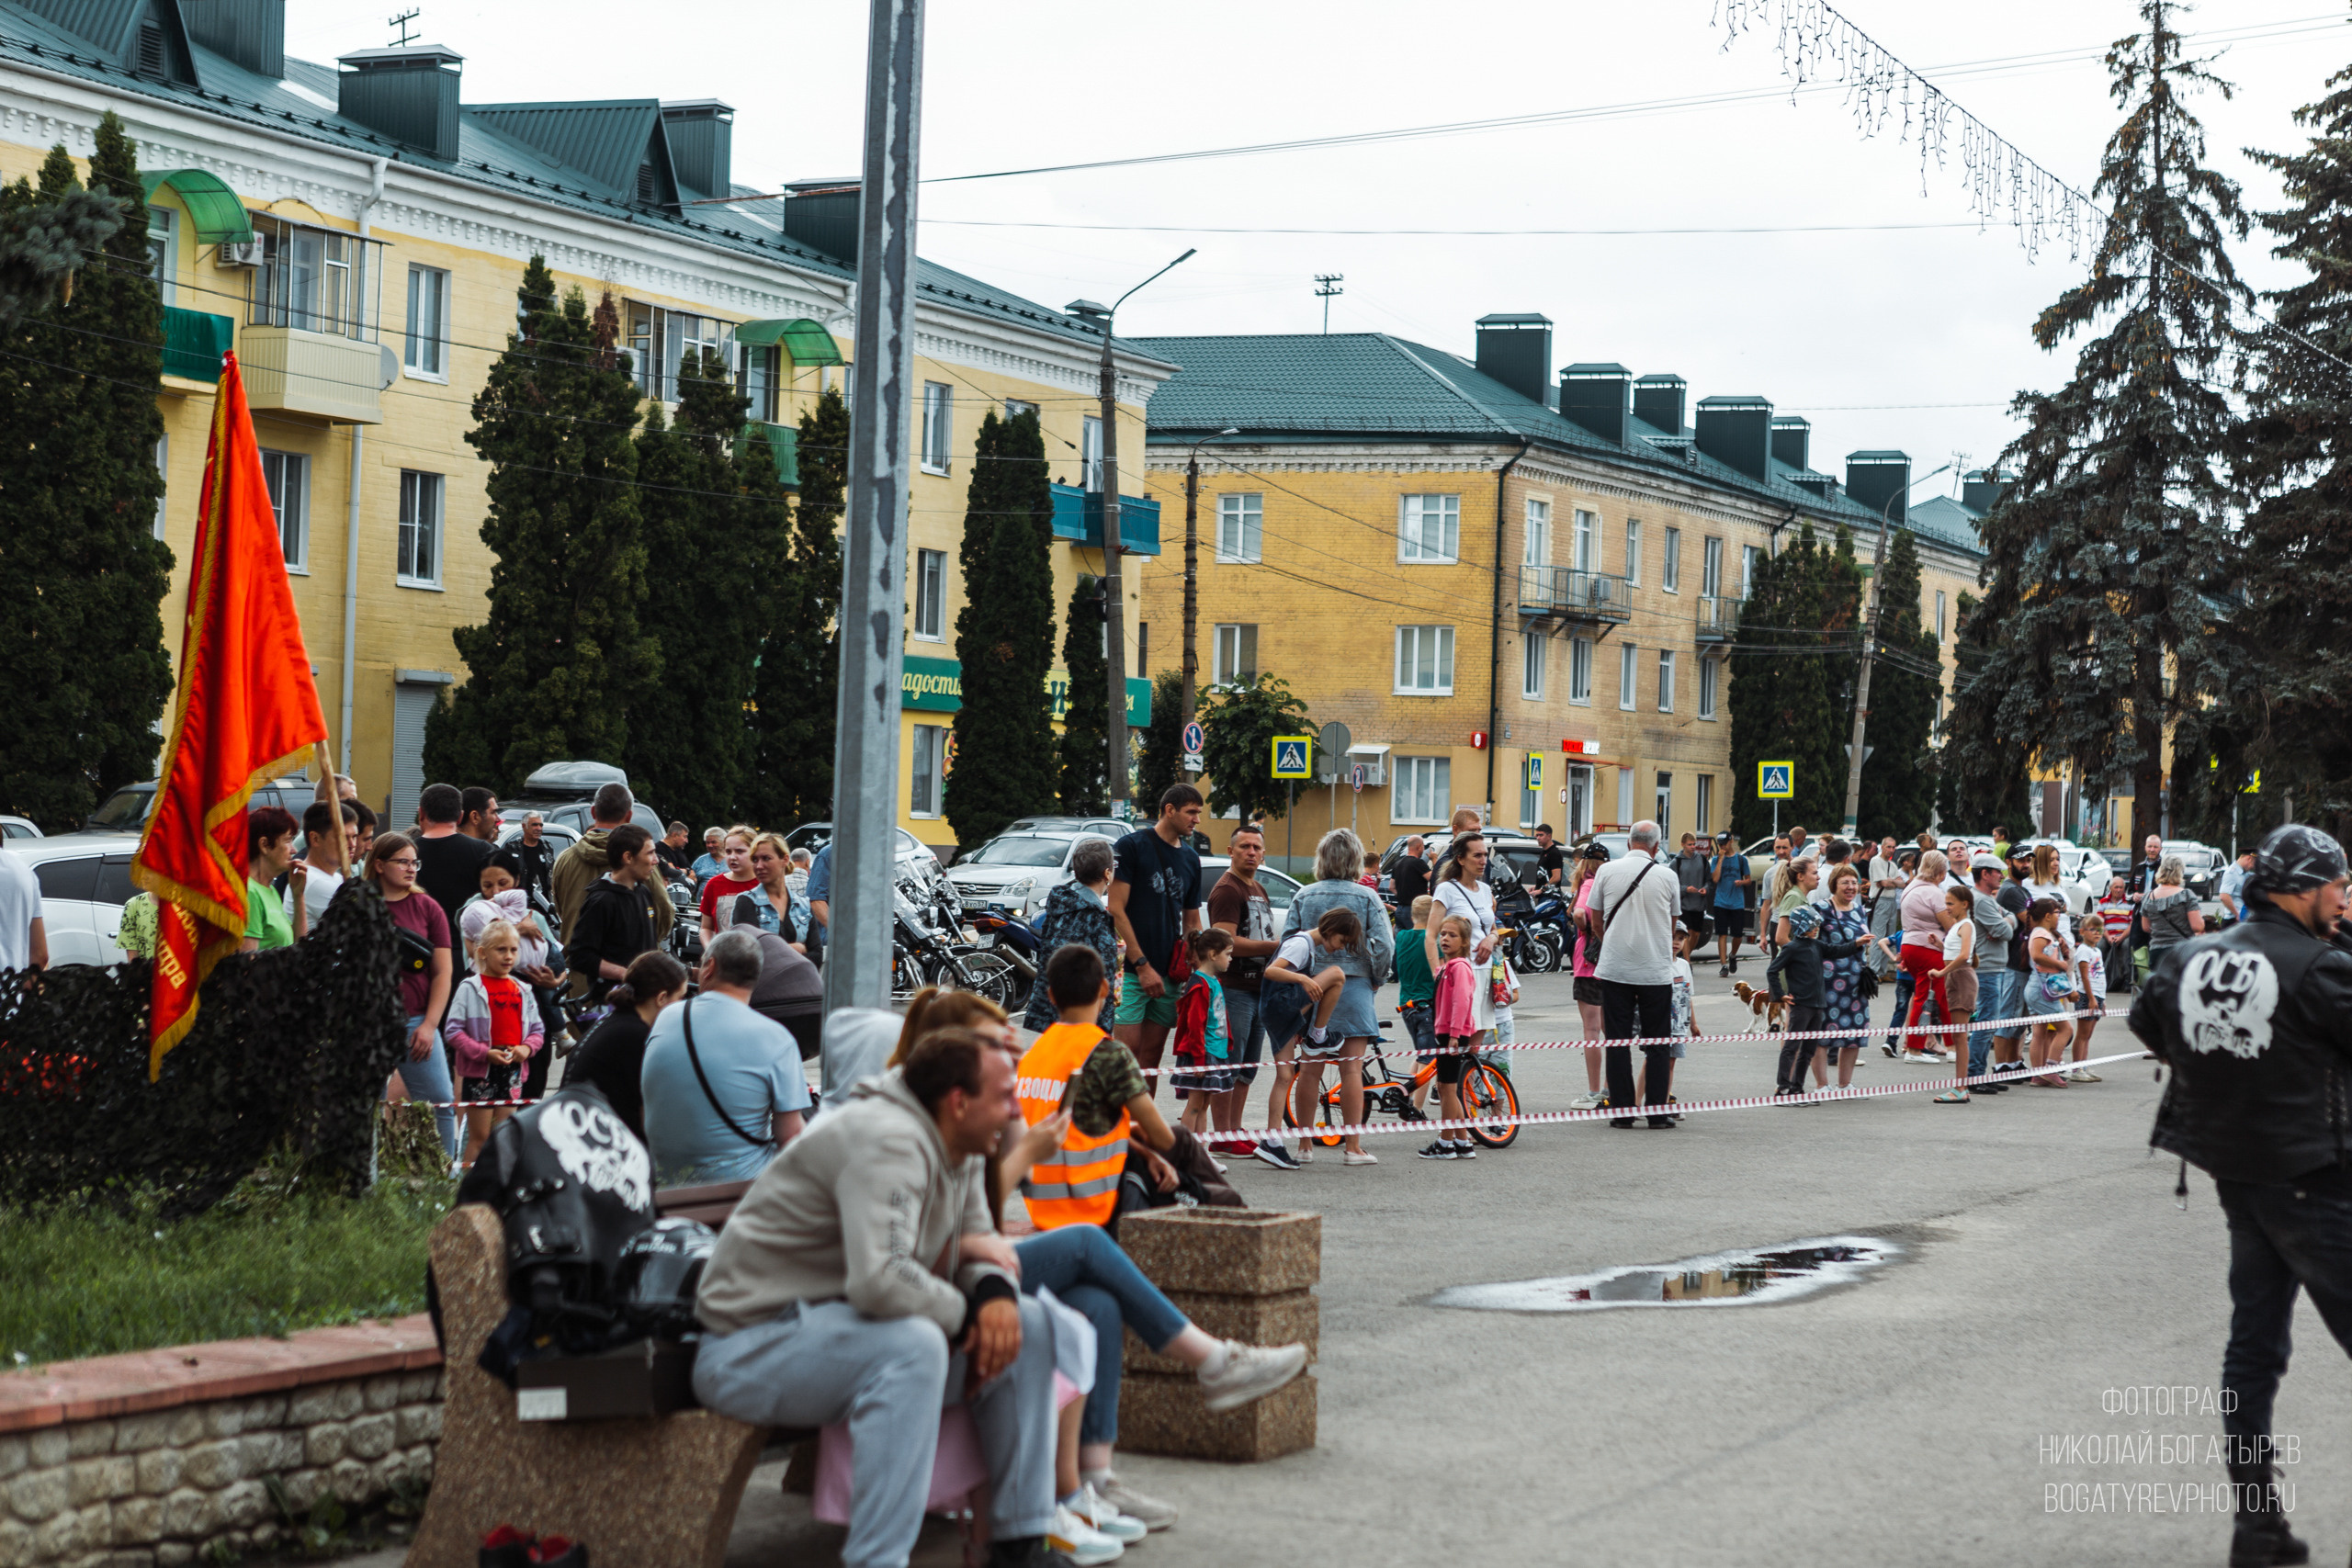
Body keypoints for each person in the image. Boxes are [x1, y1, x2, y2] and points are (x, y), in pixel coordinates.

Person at [693, 1029, 1064, 1568]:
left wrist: (994, 1297)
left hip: (836, 1329)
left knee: (1030, 1322)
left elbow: (985, 1247)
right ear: (959, 1102)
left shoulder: (957, 1139)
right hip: (749, 1343)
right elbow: (882, 1278)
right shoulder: (887, 1138)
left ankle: (1019, 1545)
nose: (1015, 1111)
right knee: (913, 1346)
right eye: (1006, 1096)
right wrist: (971, 1318)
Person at [1006, 944, 1307, 1536]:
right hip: (1093, 1215)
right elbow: (1150, 1123)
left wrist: (1137, 1149)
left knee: (1100, 1308)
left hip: (1046, 1211)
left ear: (1048, 994)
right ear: (1104, 993)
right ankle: (1218, 1355)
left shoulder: (1034, 1054)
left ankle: (1094, 1481)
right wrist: (1160, 1150)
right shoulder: (1105, 1052)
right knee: (1177, 1165)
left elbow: (1072, 1124)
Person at [2130, 825, 2352, 1568]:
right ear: (2298, 888)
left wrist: (2223, 1071)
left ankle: (2256, 1526)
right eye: (2338, 886)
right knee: (2257, 1348)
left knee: (2252, 1349)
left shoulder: (2192, 955)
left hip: (2238, 1172)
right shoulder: (2322, 967)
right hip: (2316, 1178)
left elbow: (2146, 1020)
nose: (2344, 897)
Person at [640, 928, 810, 1186]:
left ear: (709, 967)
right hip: (737, 1192)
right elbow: (791, 1138)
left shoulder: (668, 1017)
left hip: (662, 1184)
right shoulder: (777, 1039)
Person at [1281, 830, 1394, 1167]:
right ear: (1356, 860)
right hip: (1355, 986)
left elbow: (1289, 941)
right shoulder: (1368, 897)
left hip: (1311, 987)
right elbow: (1385, 945)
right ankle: (1353, 1147)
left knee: (1309, 1069)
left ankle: (1304, 1145)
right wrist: (1377, 978)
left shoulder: (1304, 895)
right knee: (1352, 1071)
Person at [366, 832, 457, 1161]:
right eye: (402, 862)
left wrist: (430, 1025)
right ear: (379, 864)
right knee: (366, 1108)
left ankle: (446, 1178)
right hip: (368, 1024)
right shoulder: (359, 906)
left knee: (441, 1101)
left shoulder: (427, 908)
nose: (411, 868)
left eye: (414, 862)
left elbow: (442, 972)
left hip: (416, 1020)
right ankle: (368, 1180)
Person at [1107, 785, 1207, 1077]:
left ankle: (1142, 1125)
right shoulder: (1131, 846)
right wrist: (1142, 966)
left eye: (1198, 813)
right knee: (1126, 1061)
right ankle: (1120, 1124)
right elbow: (1116, 910)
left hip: (1169, 975)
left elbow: (1191, 920)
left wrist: (1200, 960)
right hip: (1131, 972)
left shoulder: (1190, 859)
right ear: (1170, 810)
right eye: (1191, 812)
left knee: (1150, 1063)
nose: (1196, 820)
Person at [1590, 820, 1679, 1129]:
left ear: (1629, 843)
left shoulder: (1606, 871)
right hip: (1655, 971)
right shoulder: (1668, 876)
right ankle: (1656, 1112)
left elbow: (1596, 920)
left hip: (1615, 969)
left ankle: (1622, 1112)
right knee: (1658, 1044)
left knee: (1617, 1042)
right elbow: (1672, 925)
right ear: (1656, 846)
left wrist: (1614, 945)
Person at [1268, 908, 1370, 1166]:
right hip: (1280, 1005)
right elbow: (1271, 971)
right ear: (1331, 930)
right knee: (1336, 974)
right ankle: (1318, 1033)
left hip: (1280, 1012)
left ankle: (1272, 1142)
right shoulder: (1302, 943)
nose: (1340, 948)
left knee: (1285, 1077)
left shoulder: (1308, 947)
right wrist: (1302, 978)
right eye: (1342, 941)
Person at [444, 919, 544, 1166]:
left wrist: (525, 1048)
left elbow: (538, 1030)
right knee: (479, 1137)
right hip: (480, 1072)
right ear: (483, 953)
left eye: (513, 949)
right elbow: (453, 1031)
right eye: (501, 949)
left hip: (512, 1071)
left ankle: (499, 1189)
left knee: (505, 1135)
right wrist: (484, 1053)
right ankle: (468, 1192)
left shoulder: (523, 989)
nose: (509, 956)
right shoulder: (469, 988)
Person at [1204, 826, 1280, 1152]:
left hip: (1258, 988)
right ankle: (1222, 1137)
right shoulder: (1227, 890)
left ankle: (1234, 1132)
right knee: (1228, 1064)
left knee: (1246, 1068)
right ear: (1231, 850)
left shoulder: (1257, 888)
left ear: (1264, 853)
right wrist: (1275, 946)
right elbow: (1226, 941)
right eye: (1245, 846)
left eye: (1257, 847)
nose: (1251, 852)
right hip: (1233, 988)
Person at [567, 950, 688, 1142]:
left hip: (578, 1133)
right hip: (597, 1144)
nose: (681, 1005)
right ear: (661, 998)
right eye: (680, 998)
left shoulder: (616, 1020)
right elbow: (647, 1119)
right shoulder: (635, 1036)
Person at [553, 783, 675, 962]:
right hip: (632, 969)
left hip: (579, 973)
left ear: (593, 812)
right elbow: (663, 912)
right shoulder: (641, 859)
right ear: (629, 816)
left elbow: (562, 910)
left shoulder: (565, 859)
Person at [1770, 886, 1866, 1098]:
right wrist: (1779, 994)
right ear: (1803, 926)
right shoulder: (1792, 948)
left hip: (1818, 1004)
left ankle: (1797, 1086)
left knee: (1809, 1049)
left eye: (1817, 926)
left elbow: (1837, 950)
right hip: (1801, 1004)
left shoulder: (1817, 945)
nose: (1816, 929)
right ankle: (1783, 1085)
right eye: (1813, 926)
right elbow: (1772, 971)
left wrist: (1856, 944)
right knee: (1792, 1046)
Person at [1023, 838, 1119, 1034]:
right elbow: (1103, 973)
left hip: (1051, 1014)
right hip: (1083, 1019)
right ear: (1107, 873)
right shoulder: (1093, 916)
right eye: (1113, 866)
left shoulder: (1063, 904)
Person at [564, 823, 662, 1006]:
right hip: (615, 1005)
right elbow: (580, 956)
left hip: (646, 999)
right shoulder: (601, 901)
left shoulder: (643, 892)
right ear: (628, 857)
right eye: (649, 853)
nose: (656, 860)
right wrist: (624, 974)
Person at [1418, 914, 1484, 1161]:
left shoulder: (1460, 968)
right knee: (1446, 1088)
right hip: (1445, 1031)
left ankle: (1446, 1143)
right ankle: (1462, 1142)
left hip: (1453, 1034)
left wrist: (1455, 1035)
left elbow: (1461, 1001)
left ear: (1465, 942)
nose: (1445, 938)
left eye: (1452, 935)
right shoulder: (1447, 967)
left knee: (1447, 1089)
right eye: (1443, 934)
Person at [1170, 927, 1238, 1138]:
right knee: (1195, 1105)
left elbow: (1220, 1017)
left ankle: (1201, 1153)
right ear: (1212, 954)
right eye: (1227, 954)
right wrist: (1199, 1060)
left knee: (1204, 1104)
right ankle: (1185, 1153)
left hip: (1215, 1051)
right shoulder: (1199, 986)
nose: (1231, 959)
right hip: (1201, 1054)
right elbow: (1194, 1026)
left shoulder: (1214, 981)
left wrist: (1227, 1043)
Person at [1961, 855, 2020, 1093]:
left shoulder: (1987, 900)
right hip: (1987, 969)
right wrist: (2005, 923)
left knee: (1988, 1023)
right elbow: (2005, 931)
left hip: (1993, 968)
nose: (2002, 876)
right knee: (1985, 1024)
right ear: (1984, 874)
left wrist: (2006, 921)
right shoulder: (1982, 901)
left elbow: (2012, 919)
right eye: (1998, 872)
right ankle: (1974, 1075)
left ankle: (1978, 1073)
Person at [1816, 863, 1876, 1089]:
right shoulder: (1821, 909)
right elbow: (1813, 943)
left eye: (1854, 883)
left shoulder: (1859, 909)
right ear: (1834, 885)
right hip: (1828, 981)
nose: (1851, 887)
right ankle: (1822, 1085)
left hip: (1855, 981)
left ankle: (1845, 1084)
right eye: (1845, 883)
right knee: (1822, 1033)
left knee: (1854, 1032)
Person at [1896, 850, 1957, 1063]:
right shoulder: (1934, 893)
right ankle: (1916, 1048)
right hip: (1929, 948)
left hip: (1909, 945)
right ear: (1940, 872)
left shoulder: (1910, 887)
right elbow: (1950, 925)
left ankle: (1944, 1046)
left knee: (1931, 997)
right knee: (1931, 998)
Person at [412, 783, 494, 937]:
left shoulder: (406, 854)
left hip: (420, 947)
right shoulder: (483, 851)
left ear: (421, 814)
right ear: (460, 816)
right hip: (470, 948)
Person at [1569, 841, 1613, 1109]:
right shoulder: (1613, 885)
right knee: (1613, 1030)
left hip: (1589, 964)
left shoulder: (1588, 884)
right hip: (1612, 964)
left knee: (1591, 1030)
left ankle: (1594, 1091)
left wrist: (1581, 923)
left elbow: (1579, 913)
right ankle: (1612, 1087)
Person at [1930, 886, 1980, 1103]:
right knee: (1958, 1035)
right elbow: (1954, 952)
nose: (1946, 908)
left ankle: (1961, 1087)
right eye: (1946, 903)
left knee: (1960, 1037)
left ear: (1964, 904)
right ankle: (1961, 1087)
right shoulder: (1959, 925)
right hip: (1956, 977)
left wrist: (1942, 971)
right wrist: (1940, 945)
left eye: (1950, 903)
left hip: (1960, 978)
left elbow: (1964, 955)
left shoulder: (1966, 925)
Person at [2021, 897, 2078, 1087]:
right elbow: (2037, 956)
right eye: (2057, 913)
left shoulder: (2043, 933)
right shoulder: (2040, 934)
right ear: (2047, 916)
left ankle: (2038, 1074)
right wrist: (2059, 964)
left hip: (2039, 989)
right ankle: (2051, 1068)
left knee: (2040, 1032)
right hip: (2041, 990)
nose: (2059, 917)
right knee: (2066, 1029)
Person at [241, 806, 306, 953]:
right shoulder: (249, 893)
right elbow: (246, 965)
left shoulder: (269, 890)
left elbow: (299, 947)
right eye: (288, 841)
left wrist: (298, 895)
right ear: (264, 845)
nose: (294, 850)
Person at [288, 799, 356, 931]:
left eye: (354, 837)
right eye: (343, 837)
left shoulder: (334, 878)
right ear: (315, 839)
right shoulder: (313, 881)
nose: (352, 845)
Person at [2140, 854, 2206, 983]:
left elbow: (2146, 927)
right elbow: (2197, 926)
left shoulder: (2148, 897)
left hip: (2157, 951)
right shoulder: (2186, 895)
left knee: (2160, 993)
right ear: (2179, 872)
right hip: (2182, 951)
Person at [735, 831, 805, 948]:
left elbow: (816, 955)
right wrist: (798, 948)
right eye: (755, 860)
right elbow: (747, 952)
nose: (759, 866)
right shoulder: (746, 902)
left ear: (785, 860)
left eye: (766, 858)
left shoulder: (802, 904)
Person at [699, 825, 761, 946]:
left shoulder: (764, 884)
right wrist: (710, 950)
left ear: (754, 852)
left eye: (740, 851)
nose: (732, 857)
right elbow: (706, 928)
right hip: (723, 958)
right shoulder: (714, 884)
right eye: (728, 851)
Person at [2066, 911, 2107, 1084]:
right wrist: (2091, 998)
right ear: (2082, 932)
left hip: (2097, 995)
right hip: (2086, 995)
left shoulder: (2096, 950)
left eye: (2100, 930)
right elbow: (2084, 977)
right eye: (2092, 929)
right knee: (2083, 1033)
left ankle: (2084, 1065)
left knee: (2088, 1034)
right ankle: (2077, 1068)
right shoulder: (2083, 951)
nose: (2097, 933)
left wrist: (2101, 999)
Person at [1708, 830, 1753, 977]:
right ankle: (1723, 965)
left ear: (1730, 841)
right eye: (1720, 844)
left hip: (1737, 902)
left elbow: (1749, 879)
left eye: (1724, 843)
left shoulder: (1741, 860)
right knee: (1722, 933)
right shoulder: (1716, 859)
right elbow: (1715, 879)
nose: (1722, 846)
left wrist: (1742, 882)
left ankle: (1733, 955)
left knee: (1738, 934)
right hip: (1721, 901)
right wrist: (1720, 859)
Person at [1672, 831, 1713, 944]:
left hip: (1699, 903)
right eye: (1689, 844)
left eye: (1694, 844)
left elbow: (1709, 880)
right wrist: (1685, 889)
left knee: (1696, 933)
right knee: (1687, 932)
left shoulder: (1702, 860)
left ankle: (1687, 957)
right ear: (1683, 845)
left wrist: (1706, 888)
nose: (1693, 847)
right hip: (1684, 903)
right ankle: (1687, 960)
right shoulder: (1677, 862)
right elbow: (1672, 885)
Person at [512, 812, 554, 902]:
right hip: (522, 905)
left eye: (541, 825)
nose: (539, 828)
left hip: (544, 904)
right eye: (535, 825)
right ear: (524, 826)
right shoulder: (513, 849)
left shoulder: (547, 848)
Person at [1388, 833, 1432, 916]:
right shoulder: (1418, 863)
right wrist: (1434, 860)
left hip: (1400, 909)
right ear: (1419, 847)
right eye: (1423, 846)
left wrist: (1403, 897)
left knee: (1400, 929)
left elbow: (1391, 887)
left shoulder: (1397, 864)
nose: (1423, 849)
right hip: (1414, 910)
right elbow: (1433, 878)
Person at [2220, 847, 2256, 922]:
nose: (2253, 866)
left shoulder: (2245, 874)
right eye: (2253, 863)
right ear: (2249, 858)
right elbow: (2224, 896)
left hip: (2243, 917)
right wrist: (2237, 914)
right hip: (2233, 919)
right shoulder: (2232, 873)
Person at [1530, 824, 1566, 889]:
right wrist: (1537, 887)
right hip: (1543, 895)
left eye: (1541, 835)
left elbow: (1556, 877)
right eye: (1537, 835)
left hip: (1551, 896)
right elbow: (1545, 876)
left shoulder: (1554, 853)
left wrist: (1542, 889)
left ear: (1549, 836)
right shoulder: (1544, 852)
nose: (1538, 838)